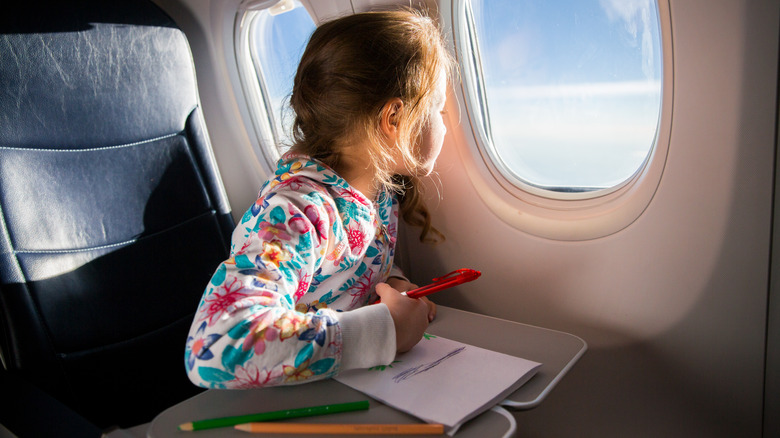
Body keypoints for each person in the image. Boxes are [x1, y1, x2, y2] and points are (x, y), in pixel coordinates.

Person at [185, 8, 454, 389]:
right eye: (439, 109)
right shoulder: (298, 212)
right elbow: (215, 347)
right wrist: (384, 331)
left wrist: (392, 284)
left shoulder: (375, 195)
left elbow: (343, 278)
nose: (446, 122)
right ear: (394, 118)